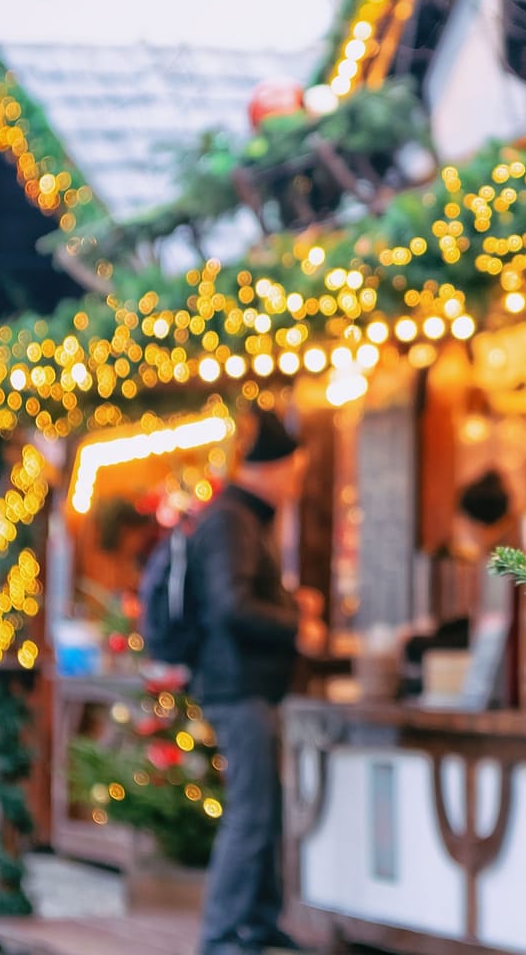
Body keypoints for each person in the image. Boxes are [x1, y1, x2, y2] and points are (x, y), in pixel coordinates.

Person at [190, 408, 307, 955]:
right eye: (293, 470)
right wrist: (297, 619)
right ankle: (222, 934)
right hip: (238, 687)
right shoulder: (233, 521)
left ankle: (257, 923)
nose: (297, 483)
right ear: (272, 469)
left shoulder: (241, 519)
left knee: (264, 805)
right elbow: (231, 606)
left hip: (248, 685)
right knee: (252, 811)